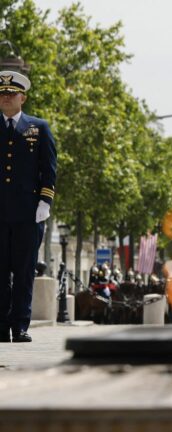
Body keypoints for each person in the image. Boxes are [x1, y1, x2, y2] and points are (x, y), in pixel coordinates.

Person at [0, 71, 56, 343]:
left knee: (24, 272)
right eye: (2, 94)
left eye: (11, 94)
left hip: (28, 214)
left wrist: (45, 201)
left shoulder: (39, 128)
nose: (6, 98)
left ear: (22, 97)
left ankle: (20, 326)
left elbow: (49, 169)